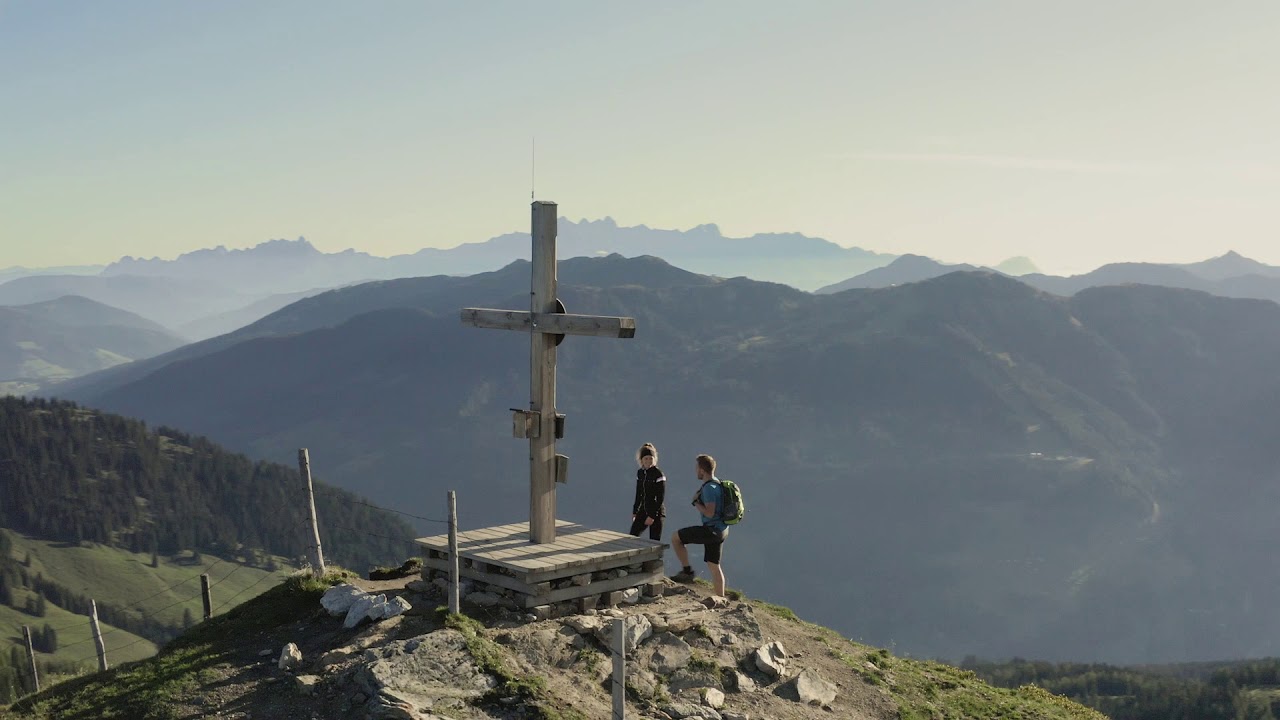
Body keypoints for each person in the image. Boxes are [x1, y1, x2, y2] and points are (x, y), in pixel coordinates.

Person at [671, 454, 728, 597]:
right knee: (714, 565)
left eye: (697, 468)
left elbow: (709, 513)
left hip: (711, 530)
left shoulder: (709, 488)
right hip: (721, 530)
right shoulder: (718, 484)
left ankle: (687, 572)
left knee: (676, 537)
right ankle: (721, 599)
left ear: (702, 470)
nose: (696, 471)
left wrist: (696, 502)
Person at [629, 443, 666, 540]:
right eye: (646, 458)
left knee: (654, 542)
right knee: (631, 536)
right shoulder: (640, 473)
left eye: (651, 458)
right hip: (643, 510)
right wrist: (635, 511)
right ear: (641, 460)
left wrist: (652, 516)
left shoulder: (658, 474)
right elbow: (639, 494)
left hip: (656, 513)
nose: (649, 461)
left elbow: (660, 498)